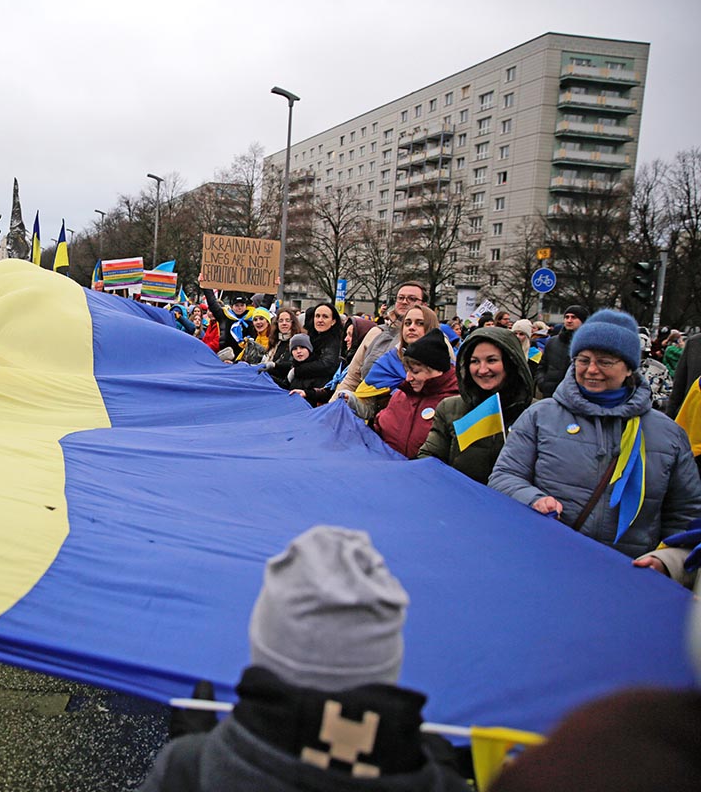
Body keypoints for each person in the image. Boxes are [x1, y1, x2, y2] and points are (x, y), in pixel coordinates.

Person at [138, 526, 467, 792]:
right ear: (389, 661)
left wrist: (195, 760)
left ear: (262, 645)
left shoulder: (188, 769)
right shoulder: (441, 781)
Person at [489, 309, 701, 558]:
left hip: (630, 577)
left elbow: (685, 513)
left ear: (629, 368)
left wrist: (666, 562)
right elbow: (504, 476)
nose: (591, 369)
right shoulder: (540, 416)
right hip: (546, 560)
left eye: (605, 362)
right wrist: (533, 499)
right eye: (583, 359)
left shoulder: (667, 434)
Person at [418, 327, 534, 484]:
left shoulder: (536, 413)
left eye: (491, 360)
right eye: (475, 361)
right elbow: (429, 459)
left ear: (510, 362)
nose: (483, 370)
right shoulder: (449, 408)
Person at [345, 304, 441, 422]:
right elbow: (369, 408)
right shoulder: (387, 362)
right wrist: (351, 400)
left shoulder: (443, 366)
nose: (411, 327)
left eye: (420, 323)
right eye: (407, 323)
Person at [372, 329, 459, 458]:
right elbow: (377, 430)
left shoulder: (456, 402)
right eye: (407, 371)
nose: (408, 378)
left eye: (416, 371)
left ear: (437, 370)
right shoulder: (400, 396)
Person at [338, 281, 428, 396]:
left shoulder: (435, 338)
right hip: (364, 404)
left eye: (412, 299)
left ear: (424, 305)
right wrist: (333, 407)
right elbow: (352, 378)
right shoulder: (376, 333)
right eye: (401, 298)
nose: (405, 302)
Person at [535, 305, 587, 397]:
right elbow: (542, 366)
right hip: (551, 395)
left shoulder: (588, 344)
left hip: (576, 397)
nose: (569, 320)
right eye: (567, 317)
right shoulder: (552, 342)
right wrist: (542, 383)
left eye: (573, 317)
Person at [201, 285, 254, 355]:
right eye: (237, 305)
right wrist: (206, 285)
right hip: (227, 357)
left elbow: (265, 305)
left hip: (245, 358)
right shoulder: (225, 316)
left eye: (242, 305)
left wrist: (272, 289)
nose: (239, 308)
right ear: (232, 307)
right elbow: (212, 303)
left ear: (246, 306)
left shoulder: (252, 318)